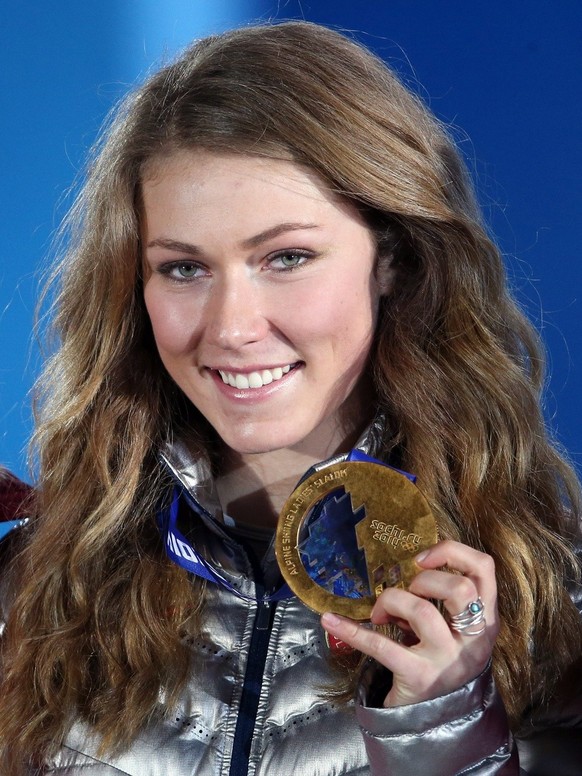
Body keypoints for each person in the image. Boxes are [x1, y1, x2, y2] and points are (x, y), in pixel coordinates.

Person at [0, 20, 581, 775]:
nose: (233, 327)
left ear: (394, 258)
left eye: (287, 257)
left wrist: (445, 733)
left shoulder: (550, 597)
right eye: (183, 268)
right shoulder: (34, 586)